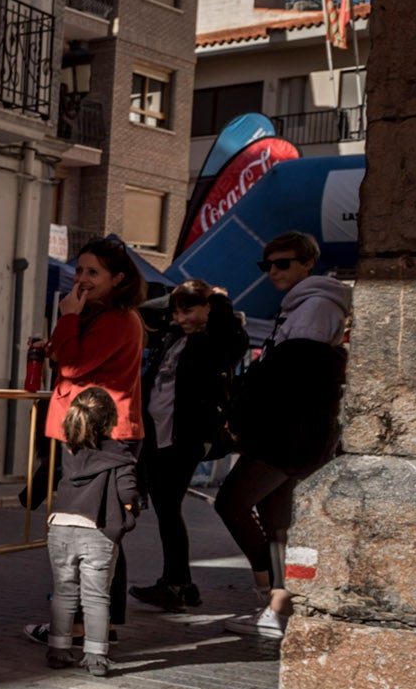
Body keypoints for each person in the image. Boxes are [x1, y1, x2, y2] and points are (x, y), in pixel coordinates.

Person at [217, 232, 351, 642]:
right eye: (268, 265)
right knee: (276, 520)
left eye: (283, 263)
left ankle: (273, 593)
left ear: (307, 263)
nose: (274, 271)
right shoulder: (303, 305)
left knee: (232, 502)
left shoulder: (315, 307)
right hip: (297, 434)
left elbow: (289, 380)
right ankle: (279, 608)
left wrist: (243, 412)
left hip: (287, 435)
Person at [25, 237, 146, 651]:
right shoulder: (101, 316)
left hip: (101, 435)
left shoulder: (117, 318)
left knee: (96, 531)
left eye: (93, 272)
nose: (82, 279)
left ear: (118, 278)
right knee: (101, 530)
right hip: (88, 432)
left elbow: (75, 363)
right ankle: (97, 623)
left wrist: (67, 318)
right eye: (79, 271)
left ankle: (78, 627)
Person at [131, 281, 246, 612]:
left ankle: (179, 584)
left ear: (207, 308)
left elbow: (234, 336)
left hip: (185, 438)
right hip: (157, 434)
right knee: (167, 510)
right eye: (177, 311)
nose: (181, 317)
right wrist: (177, 297)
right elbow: (144, 311)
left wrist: (218, 300)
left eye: (189, 310)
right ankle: (178, 583)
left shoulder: (216, 341)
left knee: (168, 509)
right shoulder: (174, 336)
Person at [44, 387, 143, 678]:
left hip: (60, 526)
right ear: (111, 419)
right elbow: (128, 491)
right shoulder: (119, 454)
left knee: (63, 592)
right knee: (97, 597)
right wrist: (129, 511)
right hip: (97, 529)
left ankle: (58, 649)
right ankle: (96, 656)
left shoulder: (69, 450)